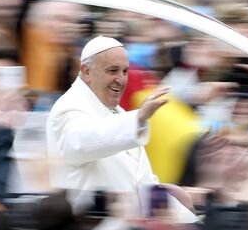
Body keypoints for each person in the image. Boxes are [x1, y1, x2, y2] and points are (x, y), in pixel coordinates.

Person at [46, 35, 195, 220]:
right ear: (86, 72)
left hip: (135, 226)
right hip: (96, 229)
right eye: (112, 71)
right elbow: (80, 142)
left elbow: (138, 179)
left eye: (125, 71)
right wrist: (138, 118)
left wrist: (164, 195)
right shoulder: (69, 107)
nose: (121, 79)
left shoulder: (118, 112)